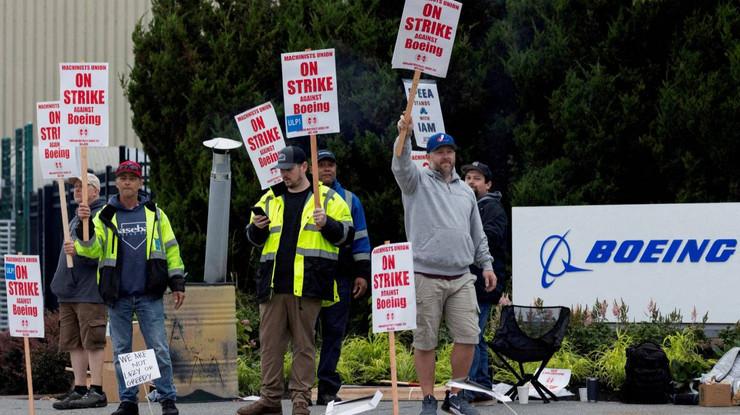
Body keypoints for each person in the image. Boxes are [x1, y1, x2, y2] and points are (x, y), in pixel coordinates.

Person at [391, 117, 496, 415]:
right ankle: (428, 399)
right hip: (425, 274)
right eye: (439, 151)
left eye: (449, 151)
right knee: (425, 340)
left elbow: (477, 233)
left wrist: (486, 265)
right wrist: (404, 135)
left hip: (462, 276)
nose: (446, 156)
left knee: (468, 336)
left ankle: (456, 395)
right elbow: (400, 164)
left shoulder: (466, 191)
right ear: (428, 156)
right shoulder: (415, 182)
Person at [238, 146, 354, 415]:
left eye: (289, 169)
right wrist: (256, 228)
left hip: (309, 284)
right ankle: (270, 399)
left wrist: (329, 224)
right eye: (281, 170)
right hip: (273, 285)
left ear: (304, 167)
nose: (284, 174)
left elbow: (347, 236)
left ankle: (301, 400)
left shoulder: (328, 198)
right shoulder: (268, 198)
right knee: (270, 345)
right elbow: (252, 239)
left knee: (304, 346)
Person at [66, 160, 185, 415]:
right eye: (123, 177)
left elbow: (171, 249)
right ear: (117, 182)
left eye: (133, 177)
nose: (128, 181)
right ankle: (128, 401)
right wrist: (85, 230)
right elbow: (92, 250)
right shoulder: (105, 215)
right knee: (121, 352)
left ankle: (167, 399)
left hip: (148, 293)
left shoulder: (155, 214)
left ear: (140, 182)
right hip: (117, 294)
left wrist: (177, 282)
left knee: (159, 348)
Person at [315, 149, 371, 405]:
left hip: (340, 276)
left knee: (334, 333)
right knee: (304, 336)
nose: (327, 169)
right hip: (309, 275)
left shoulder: (350, 199)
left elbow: (360, 238)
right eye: (321, 165)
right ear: (311, 169)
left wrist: (361, 273)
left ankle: (327, 389)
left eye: (330, 165)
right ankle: (300, 389)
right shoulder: (304, 196)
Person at [51, 173, 108, 410]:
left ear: (95, 191)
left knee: (92, 341)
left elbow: (99, 248)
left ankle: (97, 389)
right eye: (74, 186)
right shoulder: (75, 218)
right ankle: (80, 388)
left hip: (89, 290)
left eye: (82, 186)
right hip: (69, 290)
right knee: (73, 342)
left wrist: (82, 242)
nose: (76, 189)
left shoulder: (100, 216)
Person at [461, 161, 508, 402]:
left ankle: (472, 387)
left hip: (484, 282)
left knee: (472, 334)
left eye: (477, 178)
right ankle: (481, 384)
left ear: (488, 185)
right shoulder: (469, 206)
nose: (471, 182)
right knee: (475, 334)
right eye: (468, 177)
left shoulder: (491, 209)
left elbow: (488, 238)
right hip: (472, 281)